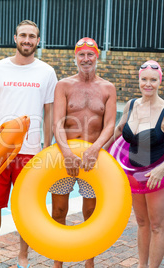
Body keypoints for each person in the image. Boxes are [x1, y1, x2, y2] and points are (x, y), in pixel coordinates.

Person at [0, 20, 57, 268]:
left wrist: (46, 146)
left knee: (26, 208)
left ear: (38, 41)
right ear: (15, 38)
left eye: (32, 36)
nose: (27, 40)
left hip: (30, 152)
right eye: (23, 35)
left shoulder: (47, 72)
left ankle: (23, 256)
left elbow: (50, 111)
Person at [106, 60, 164, 268]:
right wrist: (99, 151)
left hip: (157, 178)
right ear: (139, 80)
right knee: (142, 223)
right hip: (135, 175)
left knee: (156, 226)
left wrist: (161, 169)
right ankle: (141, 265)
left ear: (159, 81)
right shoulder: (132, 105)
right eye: (144, 79)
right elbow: (118, 131)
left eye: (153, 80)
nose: (148, 84)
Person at [49, 37, 117, 268]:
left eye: (90, 54)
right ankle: (58, 261)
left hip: (93, 159)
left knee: (91, 213)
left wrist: (96, 148)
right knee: (58, 211)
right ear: (75, 57)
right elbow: (57, 122)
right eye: (81, 55)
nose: (86, 59)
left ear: (97, 56)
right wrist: (67, 152)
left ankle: (89, 263)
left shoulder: (108, 88)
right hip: (64, 157)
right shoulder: (64, 85)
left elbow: (109, 125)